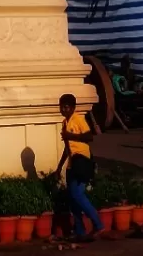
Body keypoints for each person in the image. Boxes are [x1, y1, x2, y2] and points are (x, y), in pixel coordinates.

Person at [53, 93, 103, 240]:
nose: (64, 110)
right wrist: (59, 167)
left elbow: (89, 137)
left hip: (82, 160)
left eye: (66, 107)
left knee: (78, 195)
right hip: (72, 163)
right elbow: (67, 147)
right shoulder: (65, 122)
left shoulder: (78, 119)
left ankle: (98, 224)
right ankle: (79, 231)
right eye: (61, 107)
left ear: (73, 108)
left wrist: (71, 136)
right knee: (72, 199)